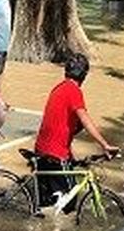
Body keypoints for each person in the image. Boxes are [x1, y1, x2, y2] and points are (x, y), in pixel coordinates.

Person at [34, 54, 118, 212]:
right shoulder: (73, 91)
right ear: (84, 75)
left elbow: (65, 129)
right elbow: (85, 119)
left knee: (47, 206)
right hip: (55, 155)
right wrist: (104, 145)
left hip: (43, 151)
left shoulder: (59, 88)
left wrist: (73, 159)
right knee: (70, 204)